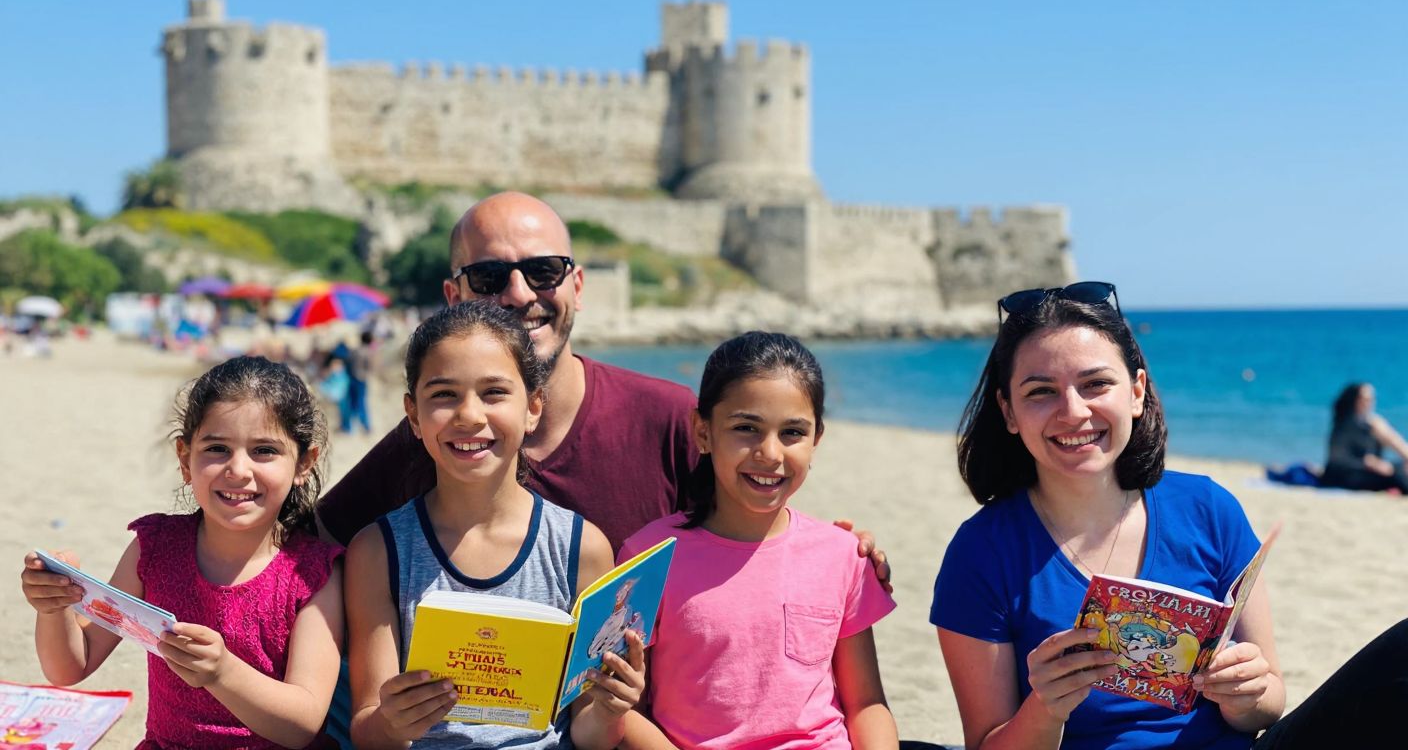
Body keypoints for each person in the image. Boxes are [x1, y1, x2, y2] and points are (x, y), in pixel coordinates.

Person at [930, 281, 1408, 749]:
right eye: (1040, 392)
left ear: (1136, 392)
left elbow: (1268, 706)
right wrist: (1045, 706)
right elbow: (986, 744)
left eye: (1096, 384)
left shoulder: (1207, 509)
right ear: (1009, 411)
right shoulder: (982, 552)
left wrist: (1246, 694)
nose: (1073, 411)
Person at [316, 191, 891, 571]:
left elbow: (756, 537)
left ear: (578, 287)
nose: (520, 295)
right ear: (454, 298)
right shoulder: (431, 441)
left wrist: (843, 552)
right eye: (490, 276)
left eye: (543, 271)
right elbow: (311, 546)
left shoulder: (667, 420)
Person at [345, 300, 642, 748]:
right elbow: (367, 732)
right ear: (413, 414)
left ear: (533, 408)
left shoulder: (580, 548)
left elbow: (589, 736)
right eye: (444, 394)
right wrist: (390, 721)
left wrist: (610, 708)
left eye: (494, 392)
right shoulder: (378, 551)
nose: (469, 415)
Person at [20, 355, 344, 749]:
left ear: (303, 464)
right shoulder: (154, 548)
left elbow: (303, 724)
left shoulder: (314, 573)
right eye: (217, 448)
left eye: (264, 450)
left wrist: (222, 672)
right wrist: (54, 609)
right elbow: (72, 666)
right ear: (185, 459)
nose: (238, 470)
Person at [619, 331, 898, 748]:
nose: (770, 453)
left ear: (816, 439)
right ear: (703, 432)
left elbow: (866, 704)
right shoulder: (648, 556)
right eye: (746, 428)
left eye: (792, 433)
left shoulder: (843, 555)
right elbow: (624, 710)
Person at [1320, 382, 1408, 493]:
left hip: (1367, 472)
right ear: (1353, 400)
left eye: (1371, 399)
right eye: (1364, 399)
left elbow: (1398, 445)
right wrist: (1367, 463)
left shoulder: (1372, 423)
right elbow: (1337, 459)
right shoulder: (1344, 424)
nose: (1369, 403)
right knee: (1397, 472)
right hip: (1344, 476)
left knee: (1399, 467)